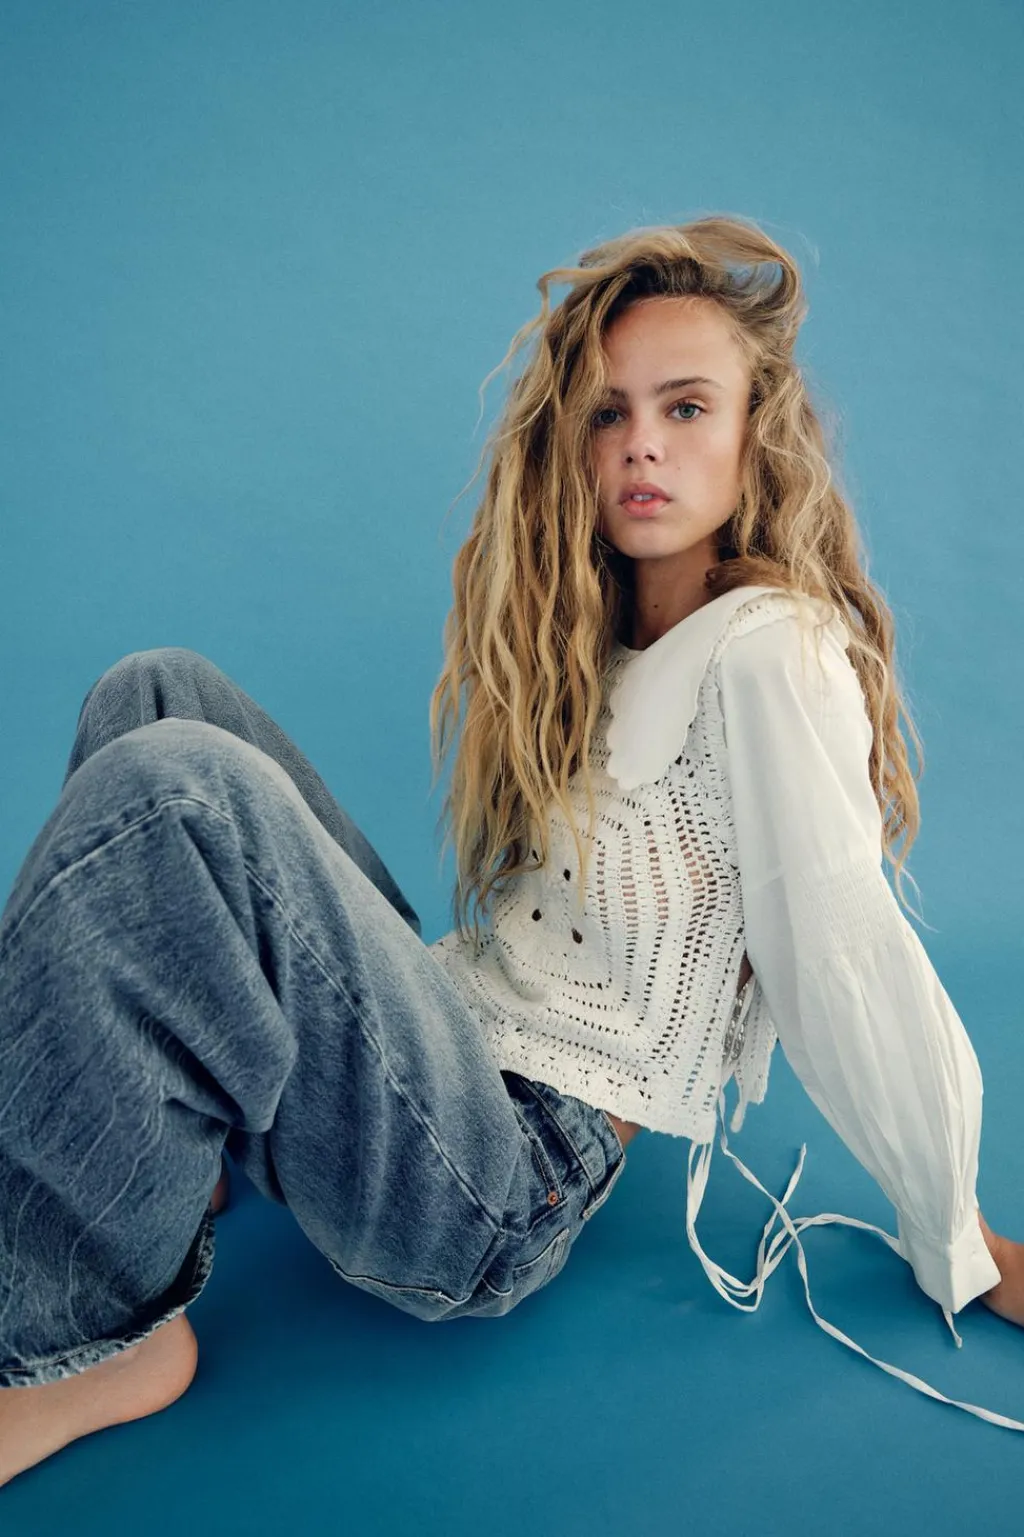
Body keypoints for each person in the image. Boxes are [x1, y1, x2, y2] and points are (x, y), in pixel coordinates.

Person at [2, 216, 1023, 1490]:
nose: (641, 441)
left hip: (497, 1182)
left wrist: (958, 1236)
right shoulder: (602, 637)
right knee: (156, 694)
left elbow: (842, 953)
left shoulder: (770, 651)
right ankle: (149, 1172)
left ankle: (75, 1341)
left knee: (177, 793)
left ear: (756, 436)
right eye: (608, 413)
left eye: (686, 407)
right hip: (448, 1042)